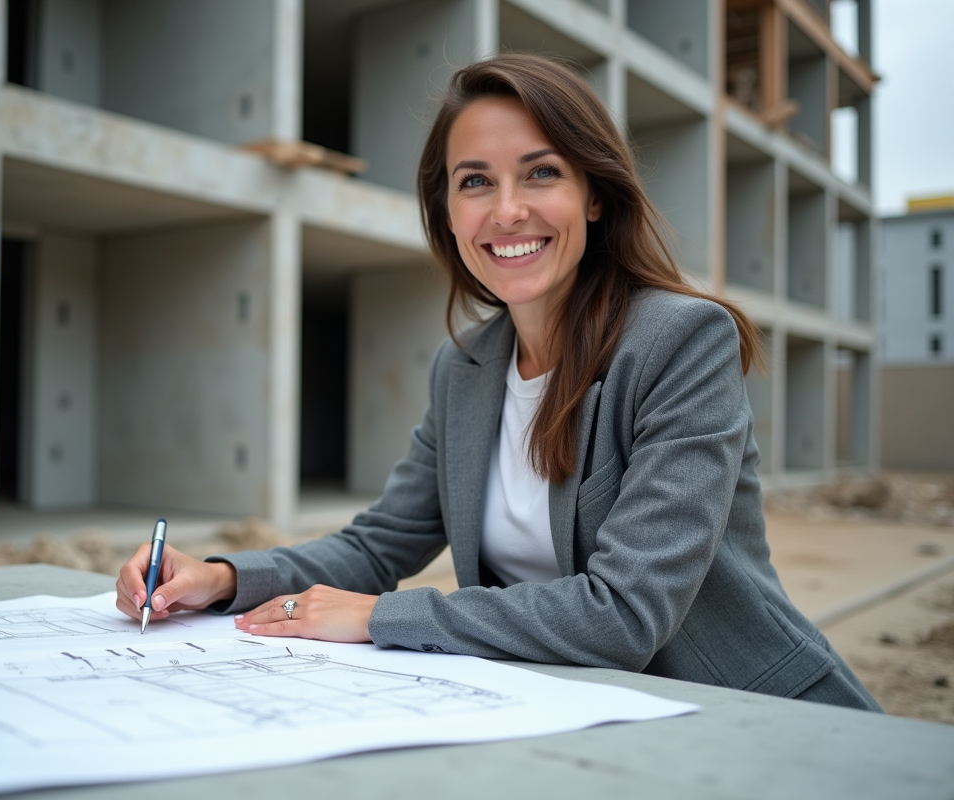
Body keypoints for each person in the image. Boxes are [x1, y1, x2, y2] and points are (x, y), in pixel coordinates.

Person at [116, 53, 881, 711]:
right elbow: (379, 544)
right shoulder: (466, 369)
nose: (507, 211)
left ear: (594, 193)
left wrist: (381, 618)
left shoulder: (680, 343)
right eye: (474, 181)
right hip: (575, 715)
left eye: (541, 173)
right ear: (446, 212)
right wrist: (218, 578)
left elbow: (624, 614)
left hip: (752, 718)